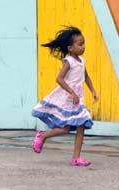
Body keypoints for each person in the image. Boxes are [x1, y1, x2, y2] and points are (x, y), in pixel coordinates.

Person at [31, 26, 98, 166]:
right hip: (68, 98)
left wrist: (92, 90)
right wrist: (72, 92)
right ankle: (43, 136)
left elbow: (86, 76)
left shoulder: (82, 61)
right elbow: (59, 79)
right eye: (80, 44)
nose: (83, 47)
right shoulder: (68, 61)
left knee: (82, 125)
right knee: (66, 129)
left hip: (78, 99)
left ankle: (76, 158)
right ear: (70, 48)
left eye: (83, 43)